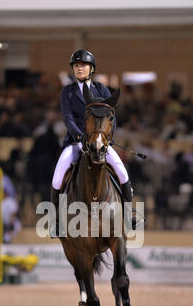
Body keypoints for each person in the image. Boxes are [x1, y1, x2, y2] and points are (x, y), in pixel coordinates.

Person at [51, 49, 136, 235]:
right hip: (77, 141)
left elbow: (111, 116)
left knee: (122, 171)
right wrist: (80, 136)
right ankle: (56, 220)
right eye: (76, 65)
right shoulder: (68, 91)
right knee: (58, 176)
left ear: (91, 69)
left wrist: (107, 139)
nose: (79, 68)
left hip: (100, 141)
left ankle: (129, 216)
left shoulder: (101, 89)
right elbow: (68, 118)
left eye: (83, 65)